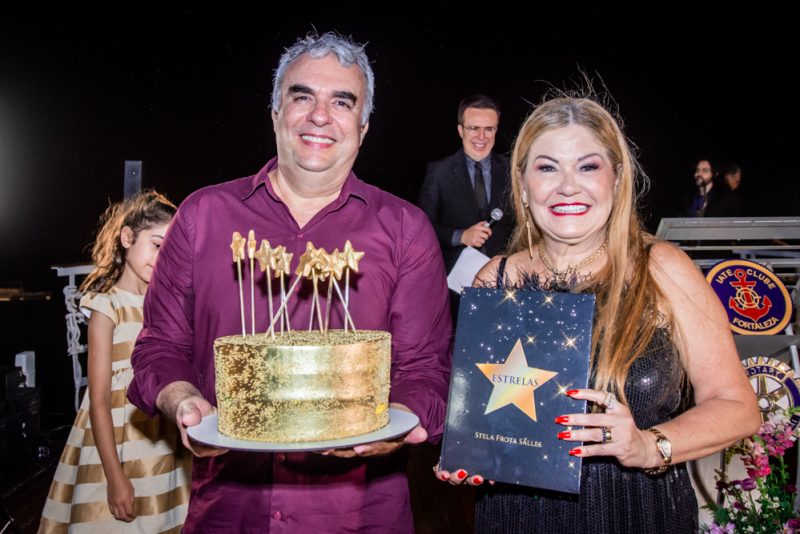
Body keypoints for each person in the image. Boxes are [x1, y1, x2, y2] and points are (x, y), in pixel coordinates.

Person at [127, 32, 452, 533]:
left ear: (363, 127)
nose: (320, 115)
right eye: (302, 96)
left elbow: (426, 367)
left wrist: (399, 420)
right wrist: (180, 398)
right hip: (229, 511)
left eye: (341, 102)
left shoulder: (405, 230)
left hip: (359, 516)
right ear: (276, 112)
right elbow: (159, 345)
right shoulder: (204, 216)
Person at [436, 96, 760, 532]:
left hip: (634, 511)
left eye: (588, 167)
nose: (568, 186)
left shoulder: (662, 269)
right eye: (547, 168)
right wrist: (469, 452)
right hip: (515, 515)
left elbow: (738, 407)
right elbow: (481, 416)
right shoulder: (496, 279)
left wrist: (649, 446)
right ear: (523, 185)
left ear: (617, 178)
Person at [40, 191, 190, 533]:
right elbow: (99, 399)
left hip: (162, 447)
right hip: (117, 447)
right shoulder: (106, 307)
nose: (163, 257)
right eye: (156, 244)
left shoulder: (169, 308)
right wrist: (114, 475)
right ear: (127, 238)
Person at [418, 94, 513, 273]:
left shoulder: (511, 170)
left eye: (489, 129)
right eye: (474, 128)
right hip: (454, 281)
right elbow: (422, 227)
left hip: (503, 278)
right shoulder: (439, 172)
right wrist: (461, 236)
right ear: (461, 130)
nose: (481, 136)